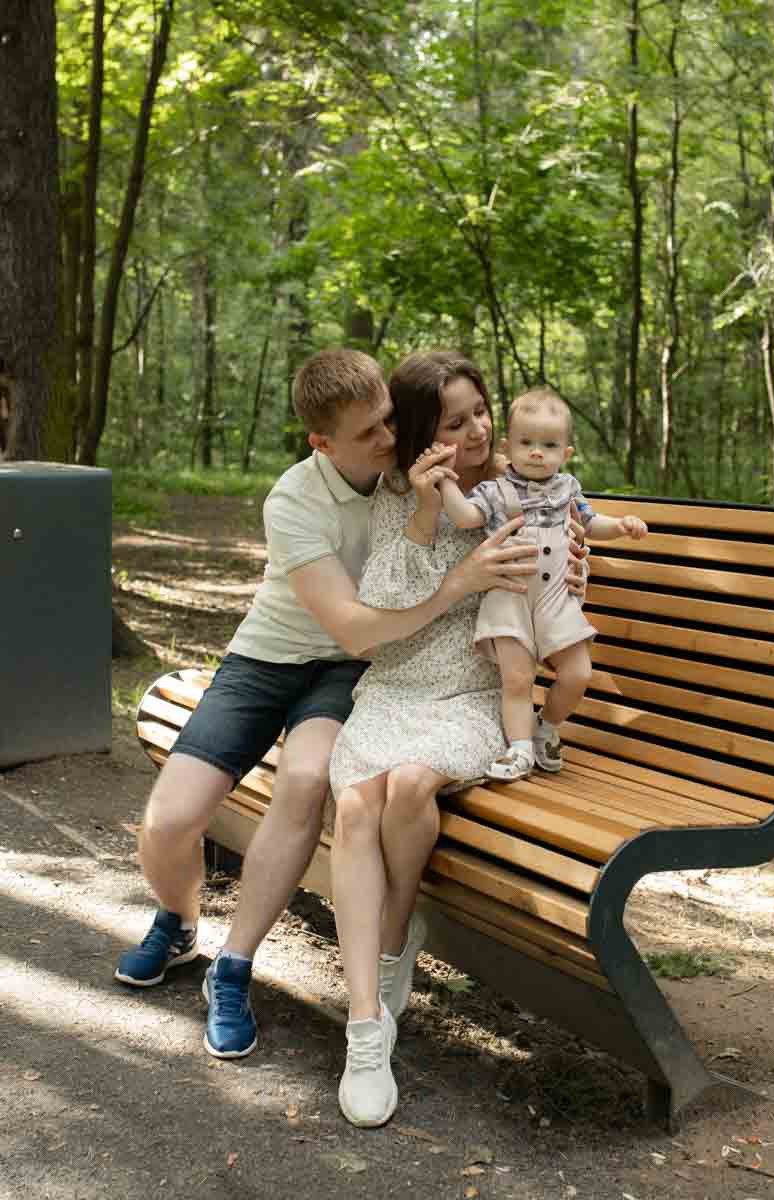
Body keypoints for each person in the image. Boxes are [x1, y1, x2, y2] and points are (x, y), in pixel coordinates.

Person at [114, 348, 543, 1063]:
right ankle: (180, 919)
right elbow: (355, 623)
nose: (387, 438)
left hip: (342, 674)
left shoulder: (408, 476)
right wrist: (456, 584)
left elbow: (501, 480)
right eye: (371, 431)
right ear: (323, 442)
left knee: (310, 780)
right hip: (268, 660)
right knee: (170, 820)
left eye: (388, 421)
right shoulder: (294, 501)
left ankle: (234, 967)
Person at [326, 354, 589, 1128]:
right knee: (354, 810)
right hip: (395, 690)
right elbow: (380, 622)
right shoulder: (404, 496)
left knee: (409, 786)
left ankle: (394, 933)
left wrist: (577, 555)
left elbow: (560, 566)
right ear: (422, 434)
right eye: (454, 421)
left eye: (481, 412)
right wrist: (427, 512)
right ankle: (366, 1027)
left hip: (473, 698)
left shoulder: (521, 488)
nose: (476, 430)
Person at [438, 383, 647, 781]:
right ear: (507, 446)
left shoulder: (568, 489)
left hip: (555, 597)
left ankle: (546, 726)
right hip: (510, 594)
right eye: (527, 442)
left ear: (565, 454)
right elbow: (465, 517)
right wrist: (446, 481)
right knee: (516, 678)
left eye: (549, 446)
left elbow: (590, 522)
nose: (537, 452)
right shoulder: (494, 491)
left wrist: (620, 526)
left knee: (577, 672)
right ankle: (519, 750)